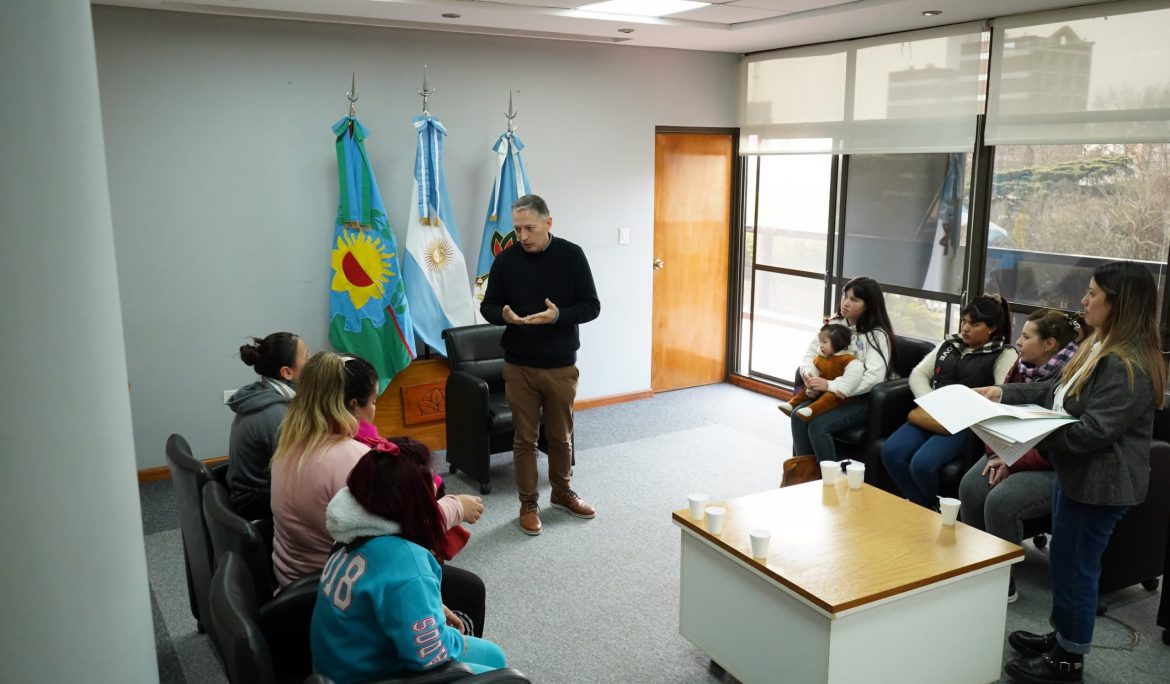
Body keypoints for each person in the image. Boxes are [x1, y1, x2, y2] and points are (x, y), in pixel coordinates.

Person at [976, 262, 1165, 683]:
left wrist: (1024, 433)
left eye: (1093, 294)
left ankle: (1069, 660)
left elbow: (1092, 433)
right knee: (1064, 562)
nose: (1083, 301)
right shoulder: (1099, 344)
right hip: (1076, 475)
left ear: (1118, 304)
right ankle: (1063, 636)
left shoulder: (1126, 363)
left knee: (1077, 567)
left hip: (1100, 483)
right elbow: (1055, 391)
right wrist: (1002, 393)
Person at [311, 445, 508, 683]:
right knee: (503, 676)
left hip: (341, 664)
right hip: (374, 676)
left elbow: (384, 597)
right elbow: (429, 656)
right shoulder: (408, 565)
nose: (435, 486)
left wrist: (431, 607)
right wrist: (446, 635)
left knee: (495, 656)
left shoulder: (351, 536)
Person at [480, 194, 601, 536]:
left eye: (529, 228)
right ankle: (528, 503)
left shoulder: (572, 256)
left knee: (561, 435)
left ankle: (562, 493)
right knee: (525, 439)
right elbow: (488, 306)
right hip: (519, 365)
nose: (523, 236)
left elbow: (591, 306)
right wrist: (502, 315)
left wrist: (558, 315)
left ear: (548, 223)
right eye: (517, 229)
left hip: (561, 365)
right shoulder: (505, 261)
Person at [958, 309, 1087, 603]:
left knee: (1001, 501)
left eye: (1027, 336)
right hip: (1010, 449)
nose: (1018, 342)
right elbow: (998, 418)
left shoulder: (1070, 375)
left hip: (1049, 461)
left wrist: (1013, 460)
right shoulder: (1021, 365)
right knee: (970, 486)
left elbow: (1059, 435)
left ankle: (1003, 583)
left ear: (1049, 344)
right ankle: (977, 567)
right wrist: (1000, 452)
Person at [881, 294, 1018, 509]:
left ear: (991, 328)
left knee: (922, 465)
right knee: (890, 452)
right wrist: (934, 404)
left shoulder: (1004, 354)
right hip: (932, 415)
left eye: (974, 324)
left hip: (965, 424)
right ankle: (926, 508)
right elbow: (918, 375)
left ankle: (930, 510)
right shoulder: (950, 344)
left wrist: (962, 413)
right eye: (964, 321)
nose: (965, 328)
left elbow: (1002, 394)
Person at [789, 276, 898, 463]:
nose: (845, 303)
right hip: (830, 393)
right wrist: (810, 376)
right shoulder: (834, 325)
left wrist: (830, 386)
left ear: (868, 305)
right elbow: (810, 355)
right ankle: (804, 477)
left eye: (854, 299)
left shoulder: (877, 335)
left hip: (861, 398)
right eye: (845, 296)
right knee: (797, 416)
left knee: (817, 425)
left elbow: (873, 379)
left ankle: (828, 483)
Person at [226, 332, 309, 520]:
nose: (312, 362)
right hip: (254, 504)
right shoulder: (277, 416)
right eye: (307, 356)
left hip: (246, 491)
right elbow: (297, 477)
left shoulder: (260, 393)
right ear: (287, 372)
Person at [779, 323, 861, 421]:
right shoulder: (821, 356)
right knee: (804, 391)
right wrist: (811, 379)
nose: (821, 346)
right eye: (820, 342)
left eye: (824, 342)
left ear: (837, 343)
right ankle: (791, 404)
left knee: (829, 397)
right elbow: (814, 367)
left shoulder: (849, 360)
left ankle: (812, 410)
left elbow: (852, 378)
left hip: (837, 392)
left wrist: (839, 389)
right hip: (822, 387)